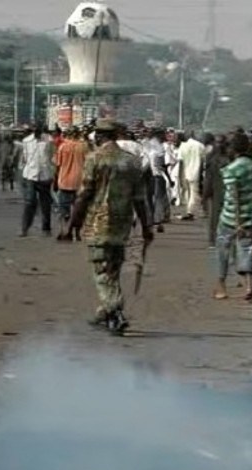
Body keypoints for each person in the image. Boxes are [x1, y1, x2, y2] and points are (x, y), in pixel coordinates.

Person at [69, 119, 154, 336]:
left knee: (101, 269)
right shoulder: (132, 162)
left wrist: (72, 224)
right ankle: (104, 312)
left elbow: (84, 194)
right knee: (113, 268)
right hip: (123, 223)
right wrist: (146, 226)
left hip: (98, 222)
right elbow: (140, 199)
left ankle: (115, 311)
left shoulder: (94, 158)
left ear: (99, 136)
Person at [212, 130, 252, 301]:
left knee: (222, 251)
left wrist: (237, 221)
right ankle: (248, 286)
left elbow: (234, 196)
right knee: (246, 250)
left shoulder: (231, 169)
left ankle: (221, 286)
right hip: (251, 216)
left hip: (230, 217)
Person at [19, 124, 55, 237]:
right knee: (29, 202)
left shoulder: (49, 140)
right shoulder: (26, 141)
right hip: (30, 174)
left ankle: (46, 228)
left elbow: (51, 155)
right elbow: (25, 157)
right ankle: (24, 228)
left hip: (45, 175)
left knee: (45, 204)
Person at [55, 126, 90, 240]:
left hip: (64, 181)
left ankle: (64, 231)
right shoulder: (84, 147)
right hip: (80, 183)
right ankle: (77, 233)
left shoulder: (62, 147)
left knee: (63, 210)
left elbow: (57, 165)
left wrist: (55, 181)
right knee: (79, 210)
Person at [178, 131, 206, 220]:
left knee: (187, 192)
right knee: (194, 193)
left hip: (185, 171)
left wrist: (180, 175)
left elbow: (181, 162)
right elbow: (203, 160)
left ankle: (188, 210)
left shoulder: (183, 146)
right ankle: (191, 212)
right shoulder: (200, 145)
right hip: (196, 172)